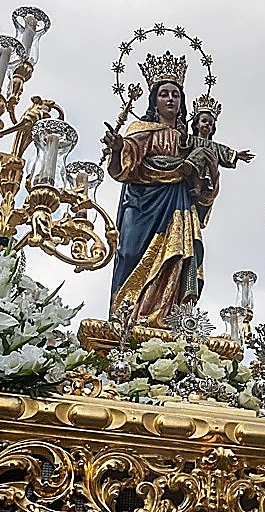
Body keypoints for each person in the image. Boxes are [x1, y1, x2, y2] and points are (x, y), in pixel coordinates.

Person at [102, 51, 208, 328]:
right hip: (143, 204)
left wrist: (201, 173)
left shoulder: (188, 139)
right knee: (130, 253)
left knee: (178, 255)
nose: (171, 99)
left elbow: (205, 180)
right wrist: (117, 149)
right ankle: (125, 317)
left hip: (177, 205)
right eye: (165, 94)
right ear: (154, 100)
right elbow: (125, 164)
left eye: (176, 94)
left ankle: (166, 318)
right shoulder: (142, 129)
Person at [183, 93, 253, 216]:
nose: (207, 125)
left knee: (204, 153)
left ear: (213, 128)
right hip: (190, 174)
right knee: (201, 151)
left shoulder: (214, 146)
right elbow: (183, 143)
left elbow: (225, 151)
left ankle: (197, 186)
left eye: (210, 123)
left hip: (206, 174)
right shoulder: (192, 139)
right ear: (196, 124)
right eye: (204, 121)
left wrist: (237, 155)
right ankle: (190, 169)